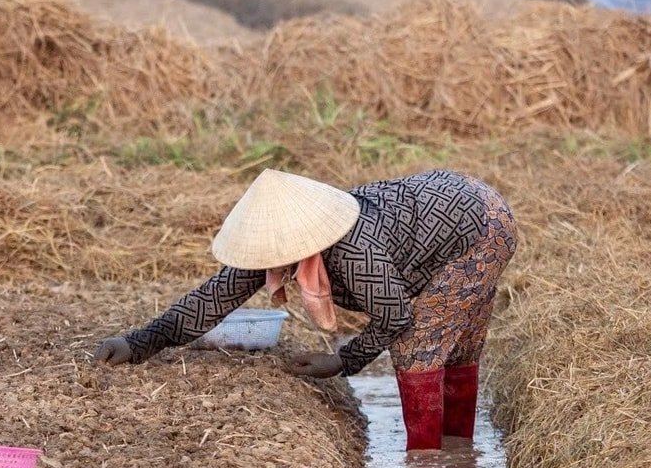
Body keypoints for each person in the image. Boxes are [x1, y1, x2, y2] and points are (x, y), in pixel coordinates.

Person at [93, 169, 519, 451]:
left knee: (419, 346)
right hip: (457, 212)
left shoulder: (354, 251)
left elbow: (395, 317)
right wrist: (138, 342)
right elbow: (213, 299)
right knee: (453, 342)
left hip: (480, 225)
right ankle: (458, 450)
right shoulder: (281, 250)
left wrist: (340, 361)